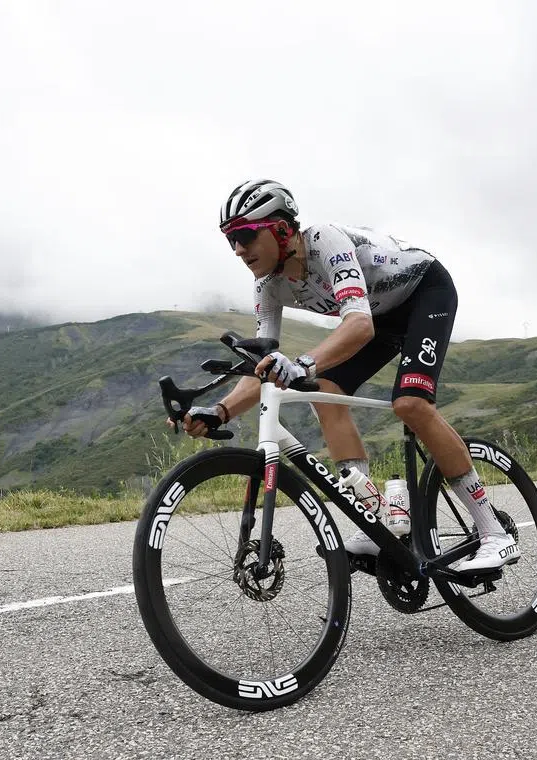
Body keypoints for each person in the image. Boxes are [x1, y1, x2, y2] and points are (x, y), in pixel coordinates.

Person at [176, 179, 519, 572]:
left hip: (424, 292)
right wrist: (219, 412)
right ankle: (376, 519)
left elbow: (359, 326)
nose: (239, 249)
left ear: (283, 229)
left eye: (247, 234)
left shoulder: (324, 241)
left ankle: (495, 532)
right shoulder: (267, 286)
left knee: (410, 403)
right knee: (325, 390)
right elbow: (264, 366)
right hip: (379, 315)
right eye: (230, 240)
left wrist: (302, 363)